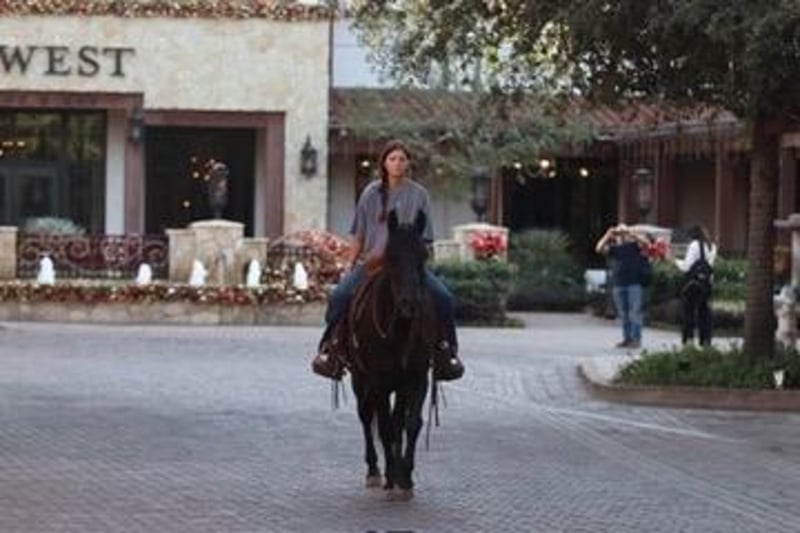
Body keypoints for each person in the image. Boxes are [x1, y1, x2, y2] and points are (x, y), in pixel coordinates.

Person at [311, 140, 465, 382]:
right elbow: (359, 234)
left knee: (443, 298)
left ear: (408, 163)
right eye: (392, 159)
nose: (397, 164)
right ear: (384, 163)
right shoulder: (370, 193)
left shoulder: (419, 195)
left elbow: (425, 238)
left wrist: (418, 262)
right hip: (373, 264)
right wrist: (350, 264)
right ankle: (331, 350)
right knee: (340, 296)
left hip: (409, 267)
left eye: (402, 159)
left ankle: (447, 353)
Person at [595, 223, 650, 349]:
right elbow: (598, 248)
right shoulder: (615, 249)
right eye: (620, 233)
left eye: (623, 233)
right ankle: (627, 339)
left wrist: (630, 233)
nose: (622, 235)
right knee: (623, 314)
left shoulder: (635, 246)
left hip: (634, 283)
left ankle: (636, 339)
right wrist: (608, 235)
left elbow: (646, 243)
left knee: (634, 312)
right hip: (619, 284)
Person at [675, 225, 717, 347]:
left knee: (689, 312)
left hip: (693, 284)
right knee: (704, 313)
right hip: (707, 284)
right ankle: (705, 341)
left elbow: (686, 266)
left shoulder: (694, 245)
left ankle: (689, 340)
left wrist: (675, 261)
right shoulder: (712, 246)